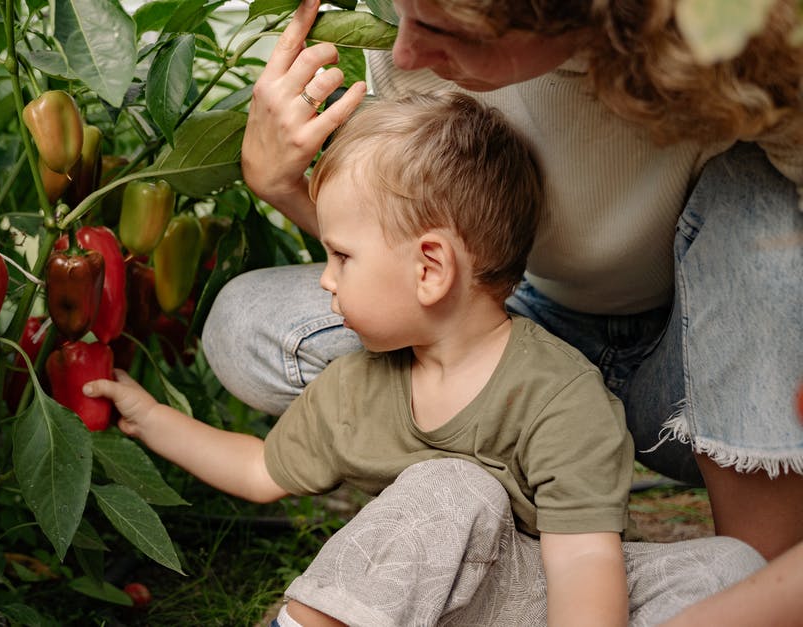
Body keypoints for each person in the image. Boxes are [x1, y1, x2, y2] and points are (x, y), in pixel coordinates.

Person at [86, 93, 763, 626]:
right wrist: (149, 416)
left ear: (432, 268)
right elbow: (260, 469)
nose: (325, 279)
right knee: (456, 487)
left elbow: (585, 560)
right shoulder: (356, 385)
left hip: (553, 599)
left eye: (341, 255)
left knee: (733, 568)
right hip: (429, 599)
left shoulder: (559, 395)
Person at [203, 0, 803, 562]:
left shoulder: (742, 46)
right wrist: (279, 183)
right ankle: (491, 530)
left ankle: (751, 570)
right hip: (515, 343)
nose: (404, 51)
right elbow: (404, 252)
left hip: (700, 379)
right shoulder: (422, 53)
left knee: (765, 201)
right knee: (250, 324)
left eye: (442, 29)